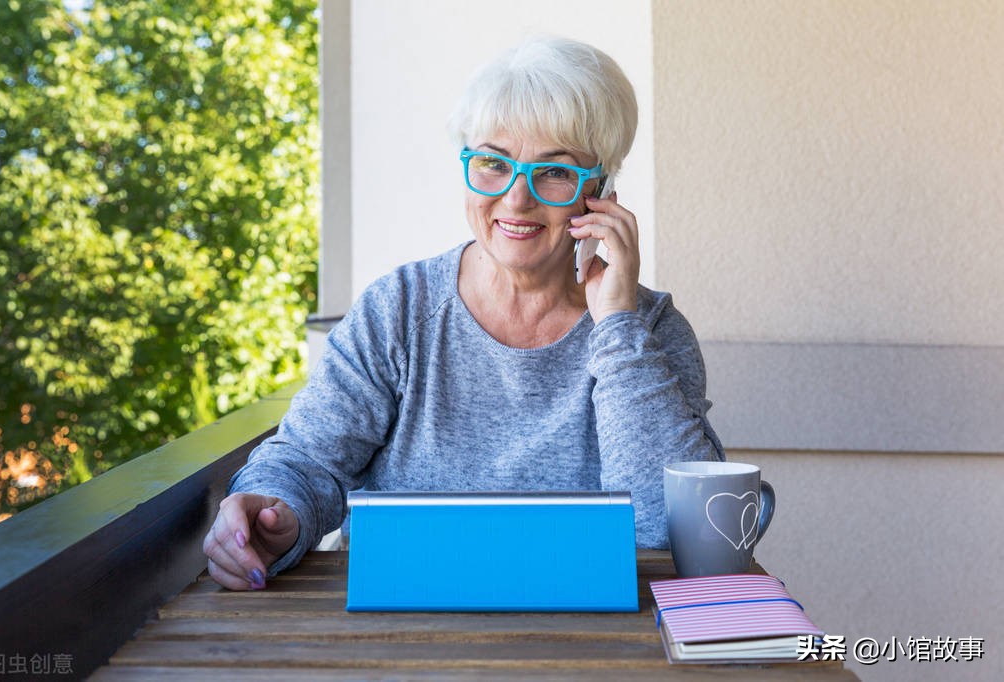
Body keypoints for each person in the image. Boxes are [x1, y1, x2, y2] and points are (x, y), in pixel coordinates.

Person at [202, 36, 725, 591]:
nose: (516, 200)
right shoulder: (400, 309)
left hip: (595, 645)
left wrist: (618, 327)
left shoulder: (652, 333)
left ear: (601, 192)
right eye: (494, 164)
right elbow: (307, 459)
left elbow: (670, 532)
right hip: (402, 639)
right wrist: (273, 512)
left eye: (554, 173)